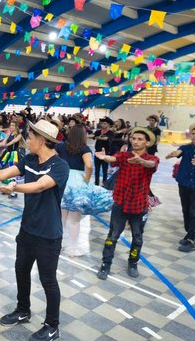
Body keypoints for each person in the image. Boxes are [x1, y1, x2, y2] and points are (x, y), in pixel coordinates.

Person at [0, 120, 69, 341]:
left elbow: (40, 185)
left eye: (29, 137)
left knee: (48, 279)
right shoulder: (29, 159)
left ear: (41, 140)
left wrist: (15, 187)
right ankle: (23, 310)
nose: (26, 140)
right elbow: (3, 173)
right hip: (27, 229)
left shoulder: (59, 166)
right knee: (21, 270)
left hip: (48, 234)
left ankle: (52, 325)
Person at [94, 127, 159, 280]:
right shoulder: (124, 155)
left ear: (147, 143)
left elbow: (151, 165)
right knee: (112, 236)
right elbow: (114, 159)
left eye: (140, 139)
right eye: (133, 138)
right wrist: (105, 157)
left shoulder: (152, 159)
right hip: (120, 203)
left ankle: (133, 263)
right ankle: (105, 264)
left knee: (137, 238)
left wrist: (141, 161)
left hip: (139, 205)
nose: (135, 141)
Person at [165, 124, 195, 253]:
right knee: (185, 209)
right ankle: (189, 233)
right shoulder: (185, 147)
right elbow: (179, 152)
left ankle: (191, 238)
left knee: (194, 211)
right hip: (184, 182)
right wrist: (173, 154)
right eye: (193, 134)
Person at [55, 124, 94, 257]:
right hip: (77, 181)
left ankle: (56, 245)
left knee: (60, 217)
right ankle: (72, 249)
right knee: (75, 219)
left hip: (62, 179)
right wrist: (87, 179)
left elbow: (53, 160)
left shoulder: (60, 146)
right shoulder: (84, 148)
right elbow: (89, 165)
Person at [93, 117, 113, 185]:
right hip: (97, 152)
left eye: (104, 124)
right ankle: (96, 182)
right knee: (97, 169)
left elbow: (106, 138)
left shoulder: (110, 133)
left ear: (109, 125)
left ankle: (105, 183)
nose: (102, 125)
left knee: (105, 169)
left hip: (106, 153)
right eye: (102, 123)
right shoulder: (98, 131)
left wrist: (98, 137)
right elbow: (93, 136)